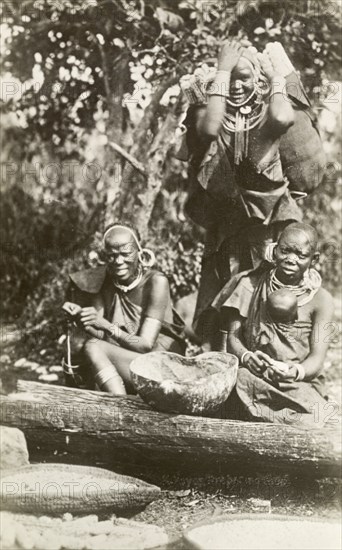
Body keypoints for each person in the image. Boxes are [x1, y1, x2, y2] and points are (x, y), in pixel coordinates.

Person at [178, 41, 315, 347]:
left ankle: (270, 350)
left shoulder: (267, 112)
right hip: (229, 223)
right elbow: (211, 130)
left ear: (259, 81)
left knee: (266, 287)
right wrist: (223, 69)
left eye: (246, 78)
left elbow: (282, 118)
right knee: (226, 288)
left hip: (271, 221)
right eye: (231, 79)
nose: (238, 87)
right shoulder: (210, 111)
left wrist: (274, 77)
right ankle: (226, 353)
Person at [212, 223, 335, 426]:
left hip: (295, 384)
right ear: (274, 250)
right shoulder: (248, 285)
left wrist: (293, 371)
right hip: (251, 377)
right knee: (234, 384)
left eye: (301, 255)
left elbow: (317, 358)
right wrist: (247, 356)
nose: (291, 259)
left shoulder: (322, 300)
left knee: (316, 415)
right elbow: (232, 337)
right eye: (285, 251)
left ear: (314, 260)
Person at [62, 223, 185, 395]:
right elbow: (102, 335)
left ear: (140, 253)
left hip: (162, 368)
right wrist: (82, 319)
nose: (119, 261)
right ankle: (122, 406)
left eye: (125, 254)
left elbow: (144, 346)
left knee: (93, 347)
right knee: (90, 346)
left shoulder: (156, 282)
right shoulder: (106, 281)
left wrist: (104, 325)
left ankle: (120, 405)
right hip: (131, 362)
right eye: (112, 256)